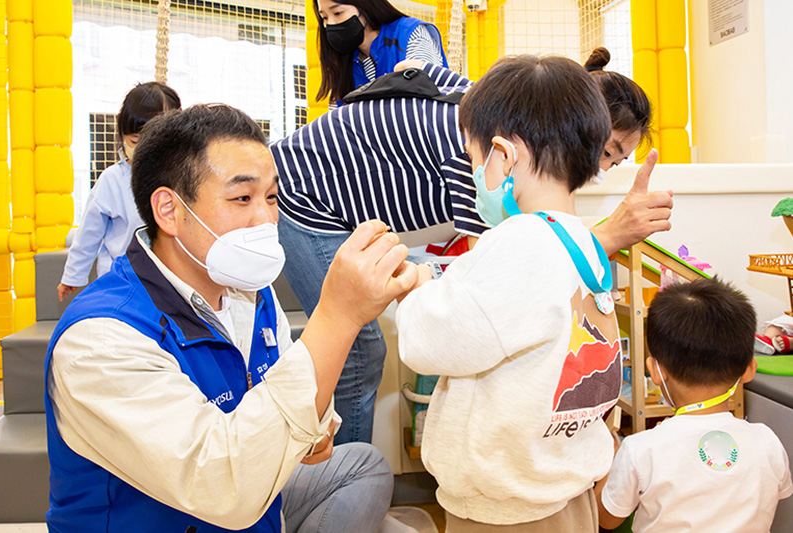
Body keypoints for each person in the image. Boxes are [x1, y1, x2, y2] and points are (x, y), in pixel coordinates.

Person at [44, 104, 419, 532]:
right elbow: (221, 487)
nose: (266, 219)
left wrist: (318, 425)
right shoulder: (101, 340)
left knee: (364, 465)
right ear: (169, 210)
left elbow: (295, 395)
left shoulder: (251, 293)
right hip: (207, 504)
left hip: (257, 500)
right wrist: (339, 314)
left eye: (272, 198)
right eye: (242, 198)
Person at [271, 57, 670, 444]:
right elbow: (498, 276)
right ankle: (341, 479)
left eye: (616, 162)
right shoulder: (478, 151)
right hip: (303, 198)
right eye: (605, 151)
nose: (599, 170)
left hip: (327, 200)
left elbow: (418, 68)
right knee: (359, 350)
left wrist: (424, 279)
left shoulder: (484, 109)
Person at [396, 54, 621, 531]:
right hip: (563, 490)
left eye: (474, 158)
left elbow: (431, 342)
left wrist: (415, 288)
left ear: (503, 154)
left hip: (508, 512)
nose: (475, 171)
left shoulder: (519, 242)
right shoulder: (578, 237)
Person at [597, 278, 792, 532]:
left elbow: (607, 518)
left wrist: (607, 463)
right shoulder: (768, 441)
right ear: (748, 371)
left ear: (655, 371)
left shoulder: (640, 449)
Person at [57, 82, 181, 302]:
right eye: (135, 141)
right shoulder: (112, 180)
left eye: (156, 141)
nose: (144, 150)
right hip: (123, 283)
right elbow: (89, 233)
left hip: (172, 282)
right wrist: (73, 276)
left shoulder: (182, 178)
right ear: (123, 138)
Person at [314, 0, 447, 104]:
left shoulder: (410, 34)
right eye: (324, 18)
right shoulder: (344, 64)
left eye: (338, 13)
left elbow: (427, 94)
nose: (331, 23)